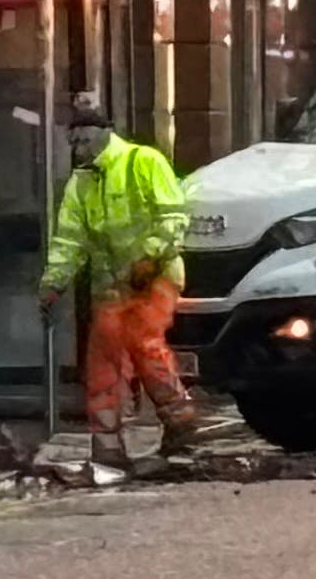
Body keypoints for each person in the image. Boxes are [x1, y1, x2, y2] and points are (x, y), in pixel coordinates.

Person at [40, 94, 200, 471]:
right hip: (115, 284)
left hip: (155, 274)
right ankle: (108, 446)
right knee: (103, 359)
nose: (77, 149)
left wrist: (150, 257)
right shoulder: (82, 183)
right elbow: (69, 240)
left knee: (141, 339)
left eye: (82, 140)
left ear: (102, 136)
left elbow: (173, 215)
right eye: (73, 142)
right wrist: (53, 283)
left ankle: (179, 417)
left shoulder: (143, 162)